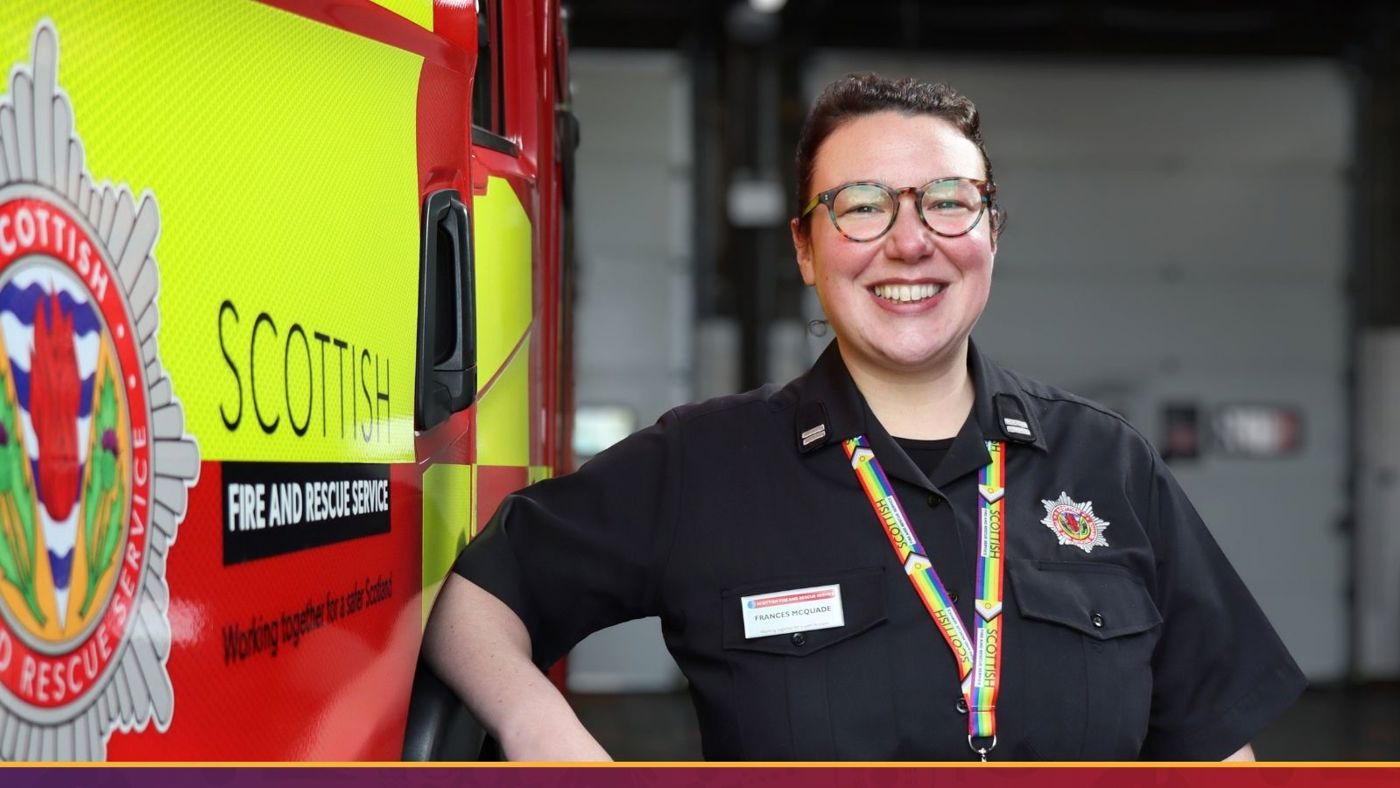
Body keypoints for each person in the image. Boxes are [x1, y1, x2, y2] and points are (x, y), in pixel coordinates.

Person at [424, 72, 1306, 762]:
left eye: (948, 201)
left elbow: (1215, 743)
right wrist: (549, 736)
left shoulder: (1108, 465)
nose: (910, 240)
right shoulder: (706, 464)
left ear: (992, 232)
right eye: (862, 206)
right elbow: (479, 602)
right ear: (807, 250)